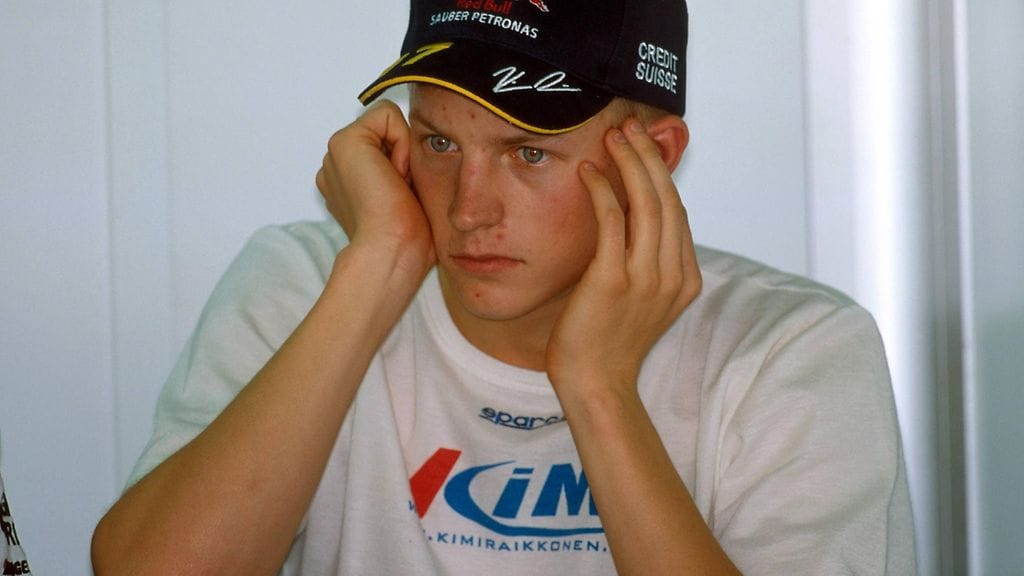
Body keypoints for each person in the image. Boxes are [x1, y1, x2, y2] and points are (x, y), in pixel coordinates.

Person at [92, 0, 917, 574]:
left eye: (529, 153)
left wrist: (597, 388)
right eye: (440, 144)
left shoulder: (794, 349)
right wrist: (375, 270)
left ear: (657, 155)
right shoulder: (308, 282)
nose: (467, 210)